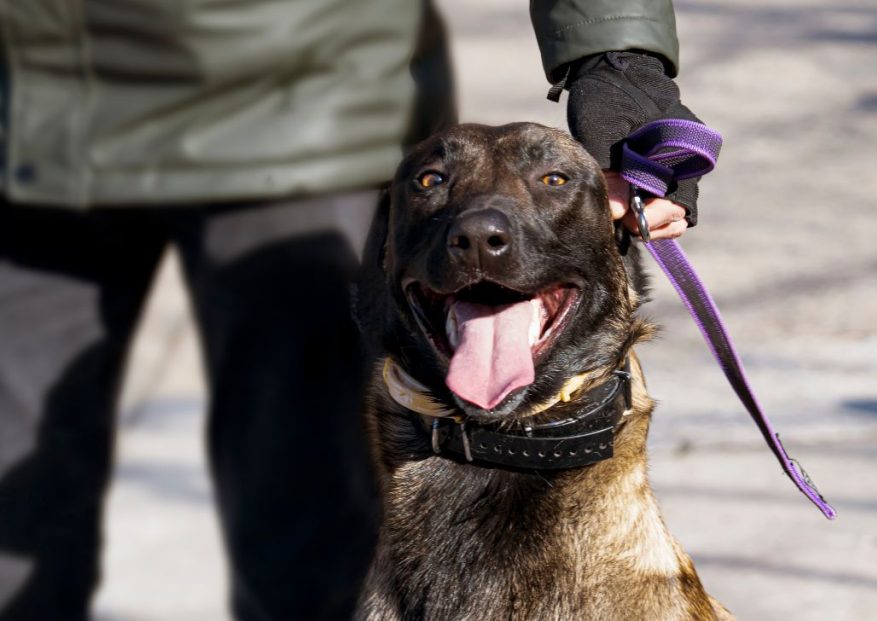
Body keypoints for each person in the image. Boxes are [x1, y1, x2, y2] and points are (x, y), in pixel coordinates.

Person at [0, 1, 705, 619]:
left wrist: (618, 64)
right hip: (41, 114)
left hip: (305, 117)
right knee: (13, 524)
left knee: (310, 530)